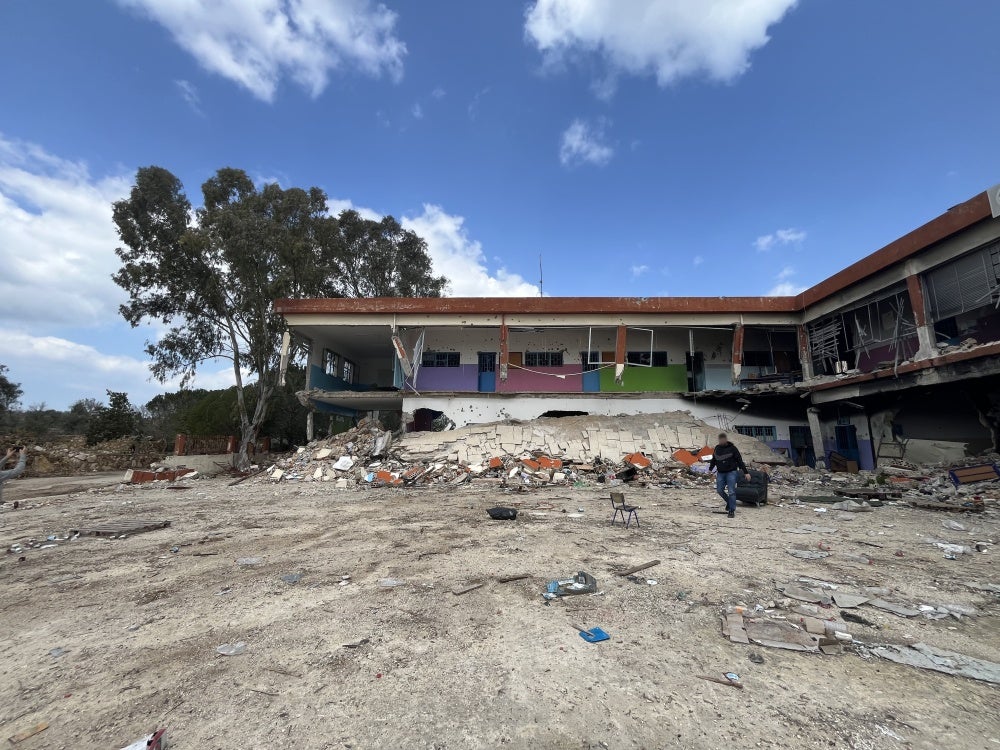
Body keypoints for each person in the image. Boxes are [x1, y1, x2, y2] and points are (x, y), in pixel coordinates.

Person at [708, 433, 750, 519]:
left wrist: (746, 472)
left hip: (731, 472)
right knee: (719, 490)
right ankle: (729, 502)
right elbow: (714, 460)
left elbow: (739, 461)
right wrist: (710, 469)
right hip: (721, 473)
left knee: (731, 491)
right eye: (720, 440)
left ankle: (731, 510)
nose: (721, 441)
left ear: (726, 440)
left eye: (723, 440)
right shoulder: (717, 448)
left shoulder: (733, 449)